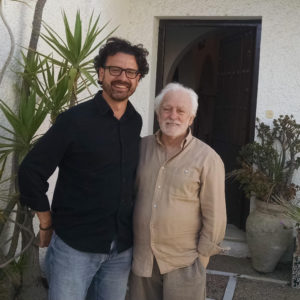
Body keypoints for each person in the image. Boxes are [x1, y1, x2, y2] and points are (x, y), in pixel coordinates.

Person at [18, 37, 149, 300]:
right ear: (101, 73)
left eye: (131, 72)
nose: (123, 77)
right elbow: (31, 170)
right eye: (115, 70)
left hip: (120, 249)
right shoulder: (74, 121)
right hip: (75, 249)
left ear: (137, 78)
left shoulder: (134, 120)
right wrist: (45, 221)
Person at [128, 82, 227, 300]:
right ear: (157, 113)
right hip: (142, 260)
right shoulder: (139, 148)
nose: (173, 116)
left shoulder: (208, 158)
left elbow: (215, 214)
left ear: (191, 118)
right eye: (167, 109)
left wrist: (202, 258)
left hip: (184, 262)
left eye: (181, 111)